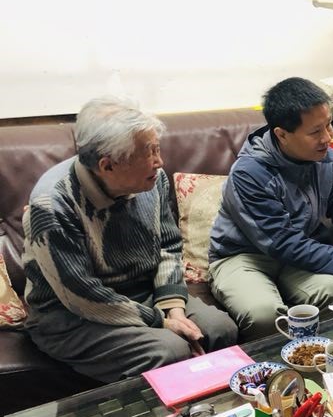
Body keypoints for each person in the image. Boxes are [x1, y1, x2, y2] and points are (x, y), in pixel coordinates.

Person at [22, 97, 238, 382]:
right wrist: (161, 322)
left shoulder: (152, 179)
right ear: (108, 166)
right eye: (149, 153)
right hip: (71, 315)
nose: (159, 162)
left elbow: (169, 246)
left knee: (221, 329)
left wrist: (173, 308)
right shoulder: (52, 206)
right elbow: (82, 295)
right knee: (168, 351)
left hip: (144, 293)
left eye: (157, 148)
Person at [208, 77, 333, 340]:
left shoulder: (327, 160)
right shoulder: (249, 173)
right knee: (263, 314)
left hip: (297, 252)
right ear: (282, 135)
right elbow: (283, 243)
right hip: (243, 256)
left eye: (329, 125)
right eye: (315, 132)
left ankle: (321, 358)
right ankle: (277, 365)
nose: (327, 138)